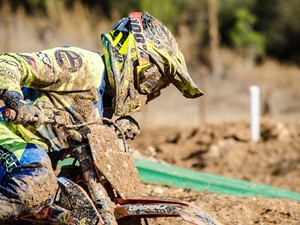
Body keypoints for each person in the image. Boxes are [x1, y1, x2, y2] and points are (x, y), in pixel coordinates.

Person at [0, 11, 203, 223]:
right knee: (37, 184)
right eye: (152, 80)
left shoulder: (104, 104)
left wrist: (114, 127)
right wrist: (17, 101)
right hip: (8, 136)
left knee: (73, 210)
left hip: (32, 160)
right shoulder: (83, 66)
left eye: (159, 87)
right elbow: (7, 63)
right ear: (131, 56)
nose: (151, 92)